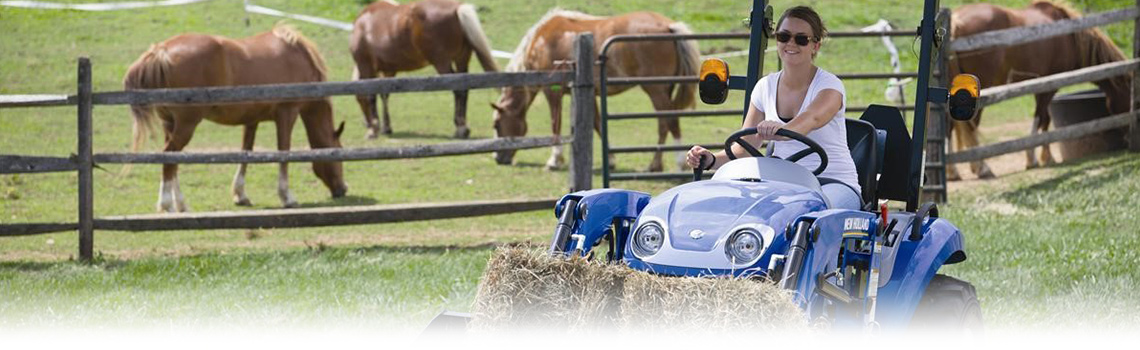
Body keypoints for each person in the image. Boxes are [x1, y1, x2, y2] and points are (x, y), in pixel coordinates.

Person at [685, 6, 862, 210]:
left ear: (816, 46)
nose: (791, 44)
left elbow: (811, 119)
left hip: (832, 183)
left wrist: (780, 131)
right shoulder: (764, 87)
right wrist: (711, 159)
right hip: (785, 185)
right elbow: (744, 149)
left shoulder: (830, 87)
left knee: (811, 212)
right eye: (784, 36)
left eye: (801, 39)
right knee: (730, 205)